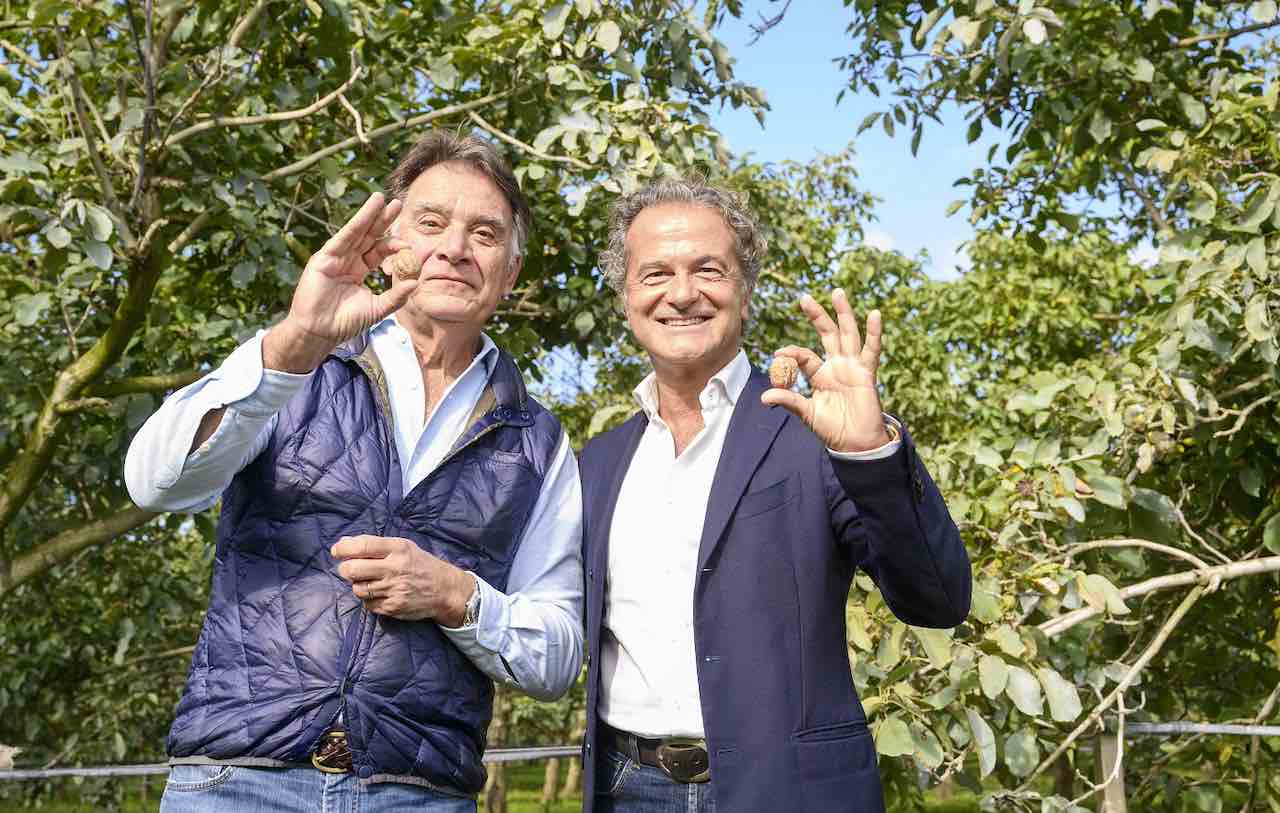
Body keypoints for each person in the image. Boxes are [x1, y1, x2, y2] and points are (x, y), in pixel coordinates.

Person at [125, 131, 583, 812]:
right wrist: (295, 342)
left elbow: (559, 655)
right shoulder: (296, 364)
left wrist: (456, 595)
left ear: (510, 273)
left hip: (418, 796)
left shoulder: (538, 440)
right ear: (390, 244)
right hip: (238, 781)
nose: (455, 248)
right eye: (432, 223)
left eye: (484, 233)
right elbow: (156, 481)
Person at [578, 178, 972, 812]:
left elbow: (938, 598)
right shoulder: (598, 463)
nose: (682, 293)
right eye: (655, 274)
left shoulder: (813, 434)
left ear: (745, 290)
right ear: (626, 296)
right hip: (626, 789)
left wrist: (870, 453)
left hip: (786, 789)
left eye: (709, 270)